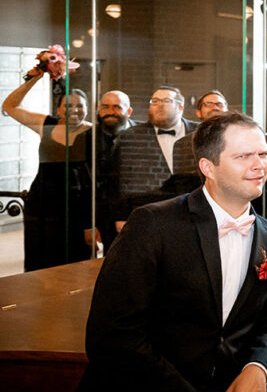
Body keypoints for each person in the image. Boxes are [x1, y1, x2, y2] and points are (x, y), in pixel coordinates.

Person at [61, 112, 267, 392]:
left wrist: (259, 367)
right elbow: (111, 337)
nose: (260, 164)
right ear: (208, 167)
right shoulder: (154, 224)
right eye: (243, 156)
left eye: (263, 153)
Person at [2, 74, 94, 271]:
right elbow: (9, 106)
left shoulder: (93, 132)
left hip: (76, 208)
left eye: (79, 106)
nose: (74, 110)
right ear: (59, 109)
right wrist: (35, 76)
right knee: (40, 260)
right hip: (42, 203)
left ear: (88, 109)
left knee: (75, 263)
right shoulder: (46, 124)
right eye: (68, 106)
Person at [113, 85, 198, 231]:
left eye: (165, 100)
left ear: (180, 107)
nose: (158, 105)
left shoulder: (199, 132)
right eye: (154, 101)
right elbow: (120, 179)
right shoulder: (131, 135)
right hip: (146, 214)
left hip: (193, 212)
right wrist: (121, 215)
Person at [95, 90, 136, 250]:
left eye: (117, 107)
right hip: (102, 213)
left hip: (134, 211)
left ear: (129, 111)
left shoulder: (144, 134)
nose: (110, 112)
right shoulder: (88, 136)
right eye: (105, 106)